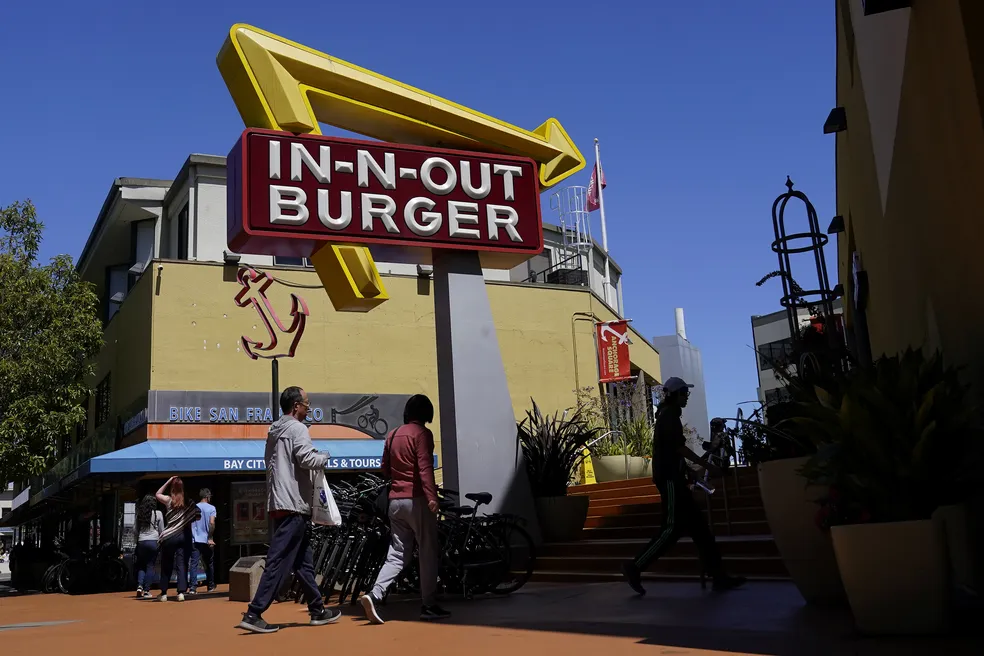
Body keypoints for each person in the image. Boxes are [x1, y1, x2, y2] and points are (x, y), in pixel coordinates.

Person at [622, 377, 746, 595]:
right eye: (683, 393)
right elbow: (678, 448)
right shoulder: (669, 416)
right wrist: (707, 465)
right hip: (670, 480)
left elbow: (670, 451)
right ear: (675, 395)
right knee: (671, 529)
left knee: (701, 530)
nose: (686, 396)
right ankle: (635, 566)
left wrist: (688, 471)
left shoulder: (668, 415)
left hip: (676, 478)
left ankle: (718, 576)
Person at [238, 386, 341, 634]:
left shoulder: (274, 431)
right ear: (296, 406)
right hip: (294, 504)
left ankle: (317, 609)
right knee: (277, 560)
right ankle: (254, 612)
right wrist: (325, 456)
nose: (309, 409)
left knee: (303, 562)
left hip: (279, 501)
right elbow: (306, 459)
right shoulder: (298, 429)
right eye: (306, 404)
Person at [359, 394, 450, 625]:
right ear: (427, 413)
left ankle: (375, 594)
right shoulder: (422, 434)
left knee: (397, 553)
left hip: (395, 502)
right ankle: (428, 604)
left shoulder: (392, 434)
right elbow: (425, 468)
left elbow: (385, 468)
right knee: (427, 551)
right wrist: (432, 497)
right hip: (416, 500)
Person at [155, 476, 201, 602]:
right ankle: (181, 592)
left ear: (172, 488)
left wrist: (169, 481)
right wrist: (185, 520)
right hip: (183, 536)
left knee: (167, 564)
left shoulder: (168, 500)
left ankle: (164, 593)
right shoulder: (188, 502)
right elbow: (198, 515)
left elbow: (157, 494)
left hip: (170, 536)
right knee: (182, 564)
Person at [187, 488, 216, 594]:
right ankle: (210, 585)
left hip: (195, 539)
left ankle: (193, 587)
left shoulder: (193, 507)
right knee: (209, 563)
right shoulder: (211, 508)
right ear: (207, 497)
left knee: (193, 563)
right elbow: (212, 523)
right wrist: (210, 538)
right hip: (206, 540)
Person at [135, 494, 164, 598]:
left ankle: (139, 586)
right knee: (150, 565)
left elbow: (135, 529)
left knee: (141, 565)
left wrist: (138, 539)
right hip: (153, 541)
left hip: (141, 541)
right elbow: (161, 530)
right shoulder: (158, 513)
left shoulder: (140, 514)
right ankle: (147, 590)